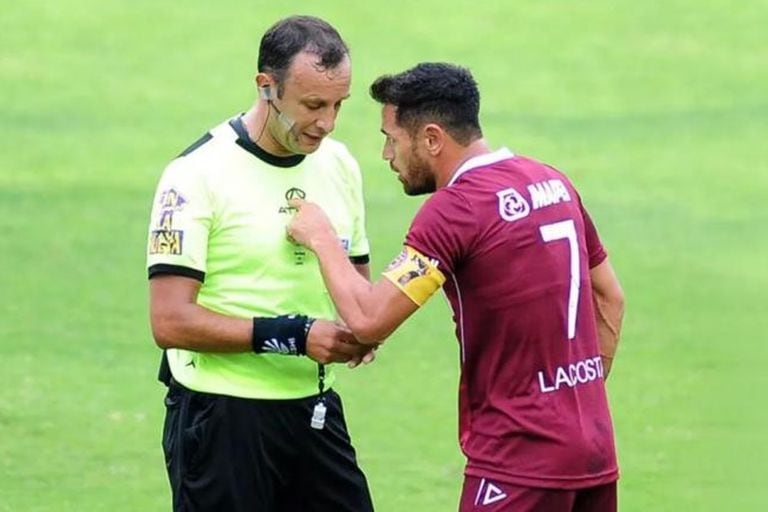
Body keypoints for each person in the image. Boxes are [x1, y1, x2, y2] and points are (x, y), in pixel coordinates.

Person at [287, 62, 625, 511]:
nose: (388, 155)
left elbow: (368, 319)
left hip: (518, 460)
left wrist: (321, 237)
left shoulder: (457, 209)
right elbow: (610, 298)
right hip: (594, 453)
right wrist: (570, 397)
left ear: (431, 139)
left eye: (392, 139)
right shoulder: (551, 181)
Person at [146, 15, 376, 512]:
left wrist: (362, 329)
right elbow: (169, 320)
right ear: (267, 87)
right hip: (222, 418)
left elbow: (358, 287)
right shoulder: (194, 175)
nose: (327, 123)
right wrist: (293, 334)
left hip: (313, 409)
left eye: (339, 105)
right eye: (313, 105)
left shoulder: (339, 165)